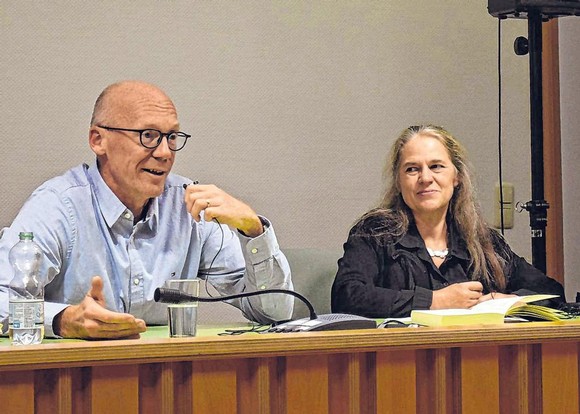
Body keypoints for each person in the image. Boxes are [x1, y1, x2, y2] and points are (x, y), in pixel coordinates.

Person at [0, 80, 293, 339]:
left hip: (162, 379)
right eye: (148, 136)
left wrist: (252, 229)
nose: (165, 153)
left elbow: (274, 312)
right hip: (70, 383)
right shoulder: (59, 206)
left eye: (171, 137)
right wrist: (62, 321)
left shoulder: (189, 208)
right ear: (98, 140)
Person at [331, 124, 564, 318]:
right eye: (412, 169)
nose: (425, 178)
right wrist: (434, 300)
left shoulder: (484, 241)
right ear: (399, 182)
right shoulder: (374, 233)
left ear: (456, 177)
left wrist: (513, 302)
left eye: (436, 167)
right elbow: (347, 296)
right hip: (396, 365)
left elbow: (552, 291)